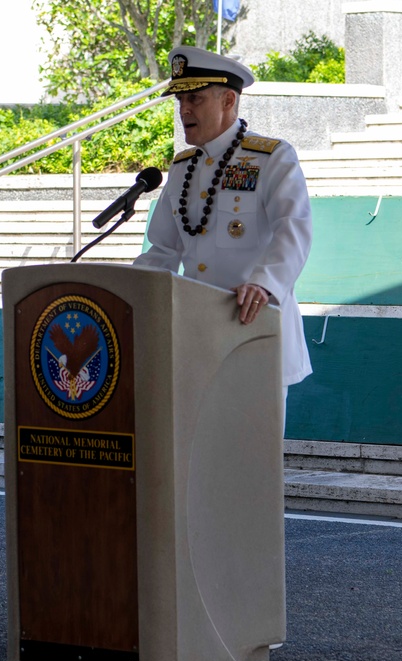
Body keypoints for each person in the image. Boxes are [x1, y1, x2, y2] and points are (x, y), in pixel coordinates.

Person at [134, 45, 313, 400]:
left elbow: (293, 227)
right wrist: (126, 293)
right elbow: (164, 250)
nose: (184, 109)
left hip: (254, 327)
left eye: (195, 99)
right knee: (197, 452)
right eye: (180, 101)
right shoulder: (182, 168)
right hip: (196, 338)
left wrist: (264, 284)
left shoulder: (271, 157)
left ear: (229, 101)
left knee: (252, 453)